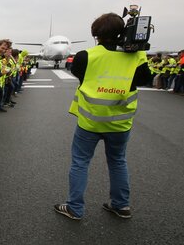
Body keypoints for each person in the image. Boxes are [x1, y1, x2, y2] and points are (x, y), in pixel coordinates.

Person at [54, 12, 150, 220]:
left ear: (95, 33)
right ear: (122, 33)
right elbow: (145, 80)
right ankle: (121, 205)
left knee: (80, 162)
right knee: (117, 161)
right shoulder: (136, 56)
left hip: (90, 121)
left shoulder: (85, 55)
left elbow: (79, 73)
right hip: (120, 123)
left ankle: (75, 208)